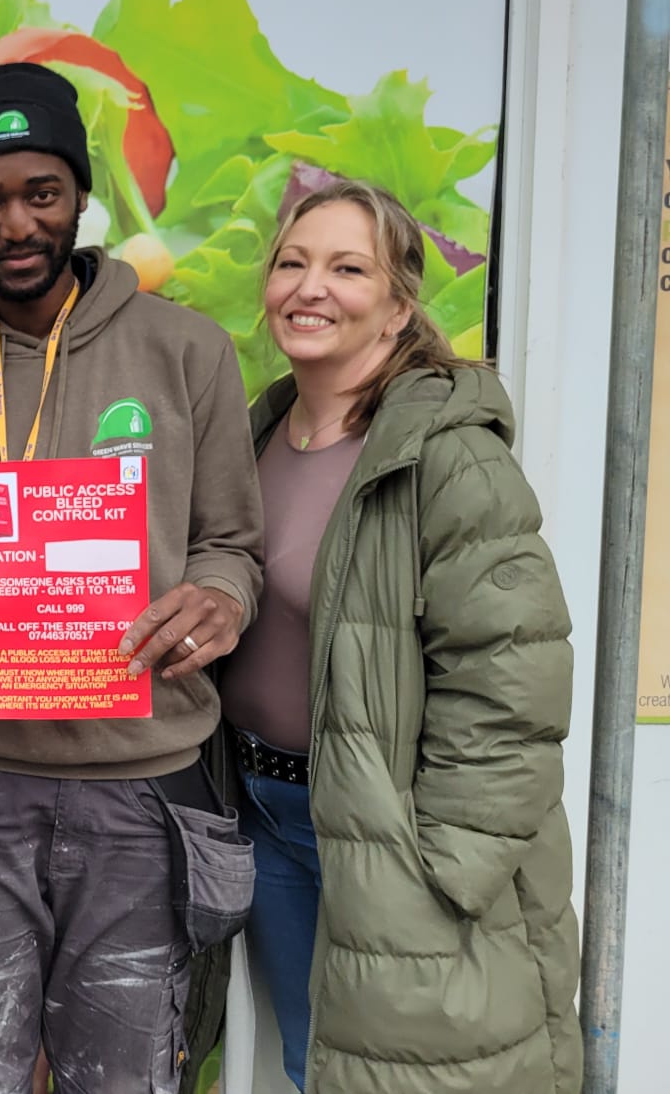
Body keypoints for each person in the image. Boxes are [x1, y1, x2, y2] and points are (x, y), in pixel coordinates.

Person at [0, 63, 264, 1091]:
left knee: (124, 1079)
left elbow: (231, 543)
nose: (16, 223)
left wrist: (221, 599)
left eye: (42, 193)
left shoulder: (188, 354)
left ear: (81, 196)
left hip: (144, 790)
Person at [214, 180, 579, 1092]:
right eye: (292, 263)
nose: (310, 287)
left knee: (408, 1076)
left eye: (346, 268)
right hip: (267, 810)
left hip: (388, 835)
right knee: (314, 1062)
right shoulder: (257, 433)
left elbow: (511, 681)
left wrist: (447, 866)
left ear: (399, 302)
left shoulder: (448, 452)